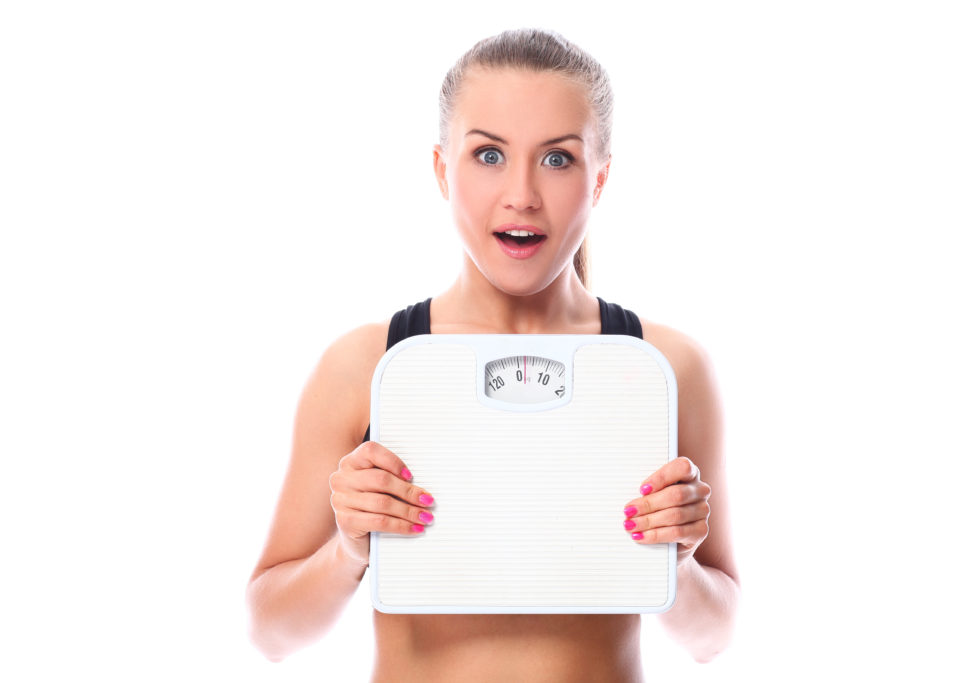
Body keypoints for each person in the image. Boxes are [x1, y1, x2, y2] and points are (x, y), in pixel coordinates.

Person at [245, 28, 740, 681]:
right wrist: (348, 549)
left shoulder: (661, 367)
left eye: (557, 159)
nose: (522, 194)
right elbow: (271, 633)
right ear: (442, 169)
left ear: (601, 179)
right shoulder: (367, 366)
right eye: (488, 155)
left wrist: (674, 559)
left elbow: (713, 637)